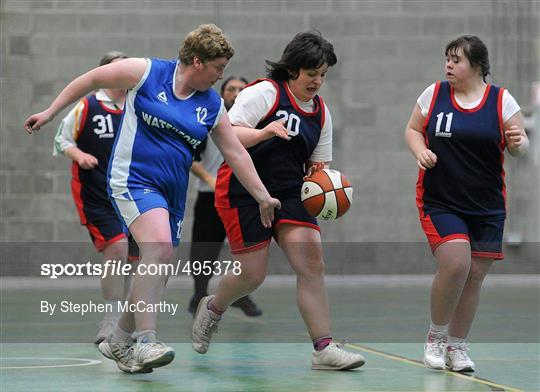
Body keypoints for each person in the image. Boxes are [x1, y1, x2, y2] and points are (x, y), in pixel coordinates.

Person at [24, 24, 280, 374]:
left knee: (156, 268)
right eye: (218, 67)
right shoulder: (146, 72)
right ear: (196, 61)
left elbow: (234, 152)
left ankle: (119, 339)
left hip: (171, 192)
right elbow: (90, 79)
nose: (222, 74)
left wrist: (263, 196)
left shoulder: (212, 105)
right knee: (157, 248)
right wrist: (50, 113)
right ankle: (146, 340)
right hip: (132, 179)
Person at [191, 31, 366, 370]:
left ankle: (323, 348)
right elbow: (228, 133)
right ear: (292, 69)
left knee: (312, 262)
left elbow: (319, 164)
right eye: (312, 73)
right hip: (243, 189)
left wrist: (327, 184)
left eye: (323, 74)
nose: (317, 81)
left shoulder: (321, 113)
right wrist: (264, 132)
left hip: (290, 193)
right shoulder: (265, 93)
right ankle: (213, 308)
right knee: (252, 275)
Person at [405, 35, 529, 372]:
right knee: (456, 263)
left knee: (474, 275)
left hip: (487, 205)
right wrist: (420, 151)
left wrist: (518, 142)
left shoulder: (502, 101)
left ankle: (457, 347)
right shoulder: (434, 94)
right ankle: (435, 337)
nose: (448, 65)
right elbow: (413, 129)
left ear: (477, 66)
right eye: (447, 58)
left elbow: (520, 146)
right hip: (441, 200)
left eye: (456, 60)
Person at [53, 51, 141, 345]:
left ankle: (130, 322)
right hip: (95, 194)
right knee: (116, 250)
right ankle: (111, 318)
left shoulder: (136, 105)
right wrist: (79, 154)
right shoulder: (87, 106)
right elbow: (61, 139)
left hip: (130, 194)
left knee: (134, 259)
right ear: (105, 74)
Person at [188, 75, 263, 317]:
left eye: (242, 88)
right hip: (210, 196)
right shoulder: (209, 121)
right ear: (223, 94)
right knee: (204, 250)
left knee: (245, 251)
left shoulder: (256, 124)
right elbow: (190, 158)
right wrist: (210, 179)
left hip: (244, 198)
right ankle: (199, 293)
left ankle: (240, 295)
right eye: (231, 89)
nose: (237, 93)